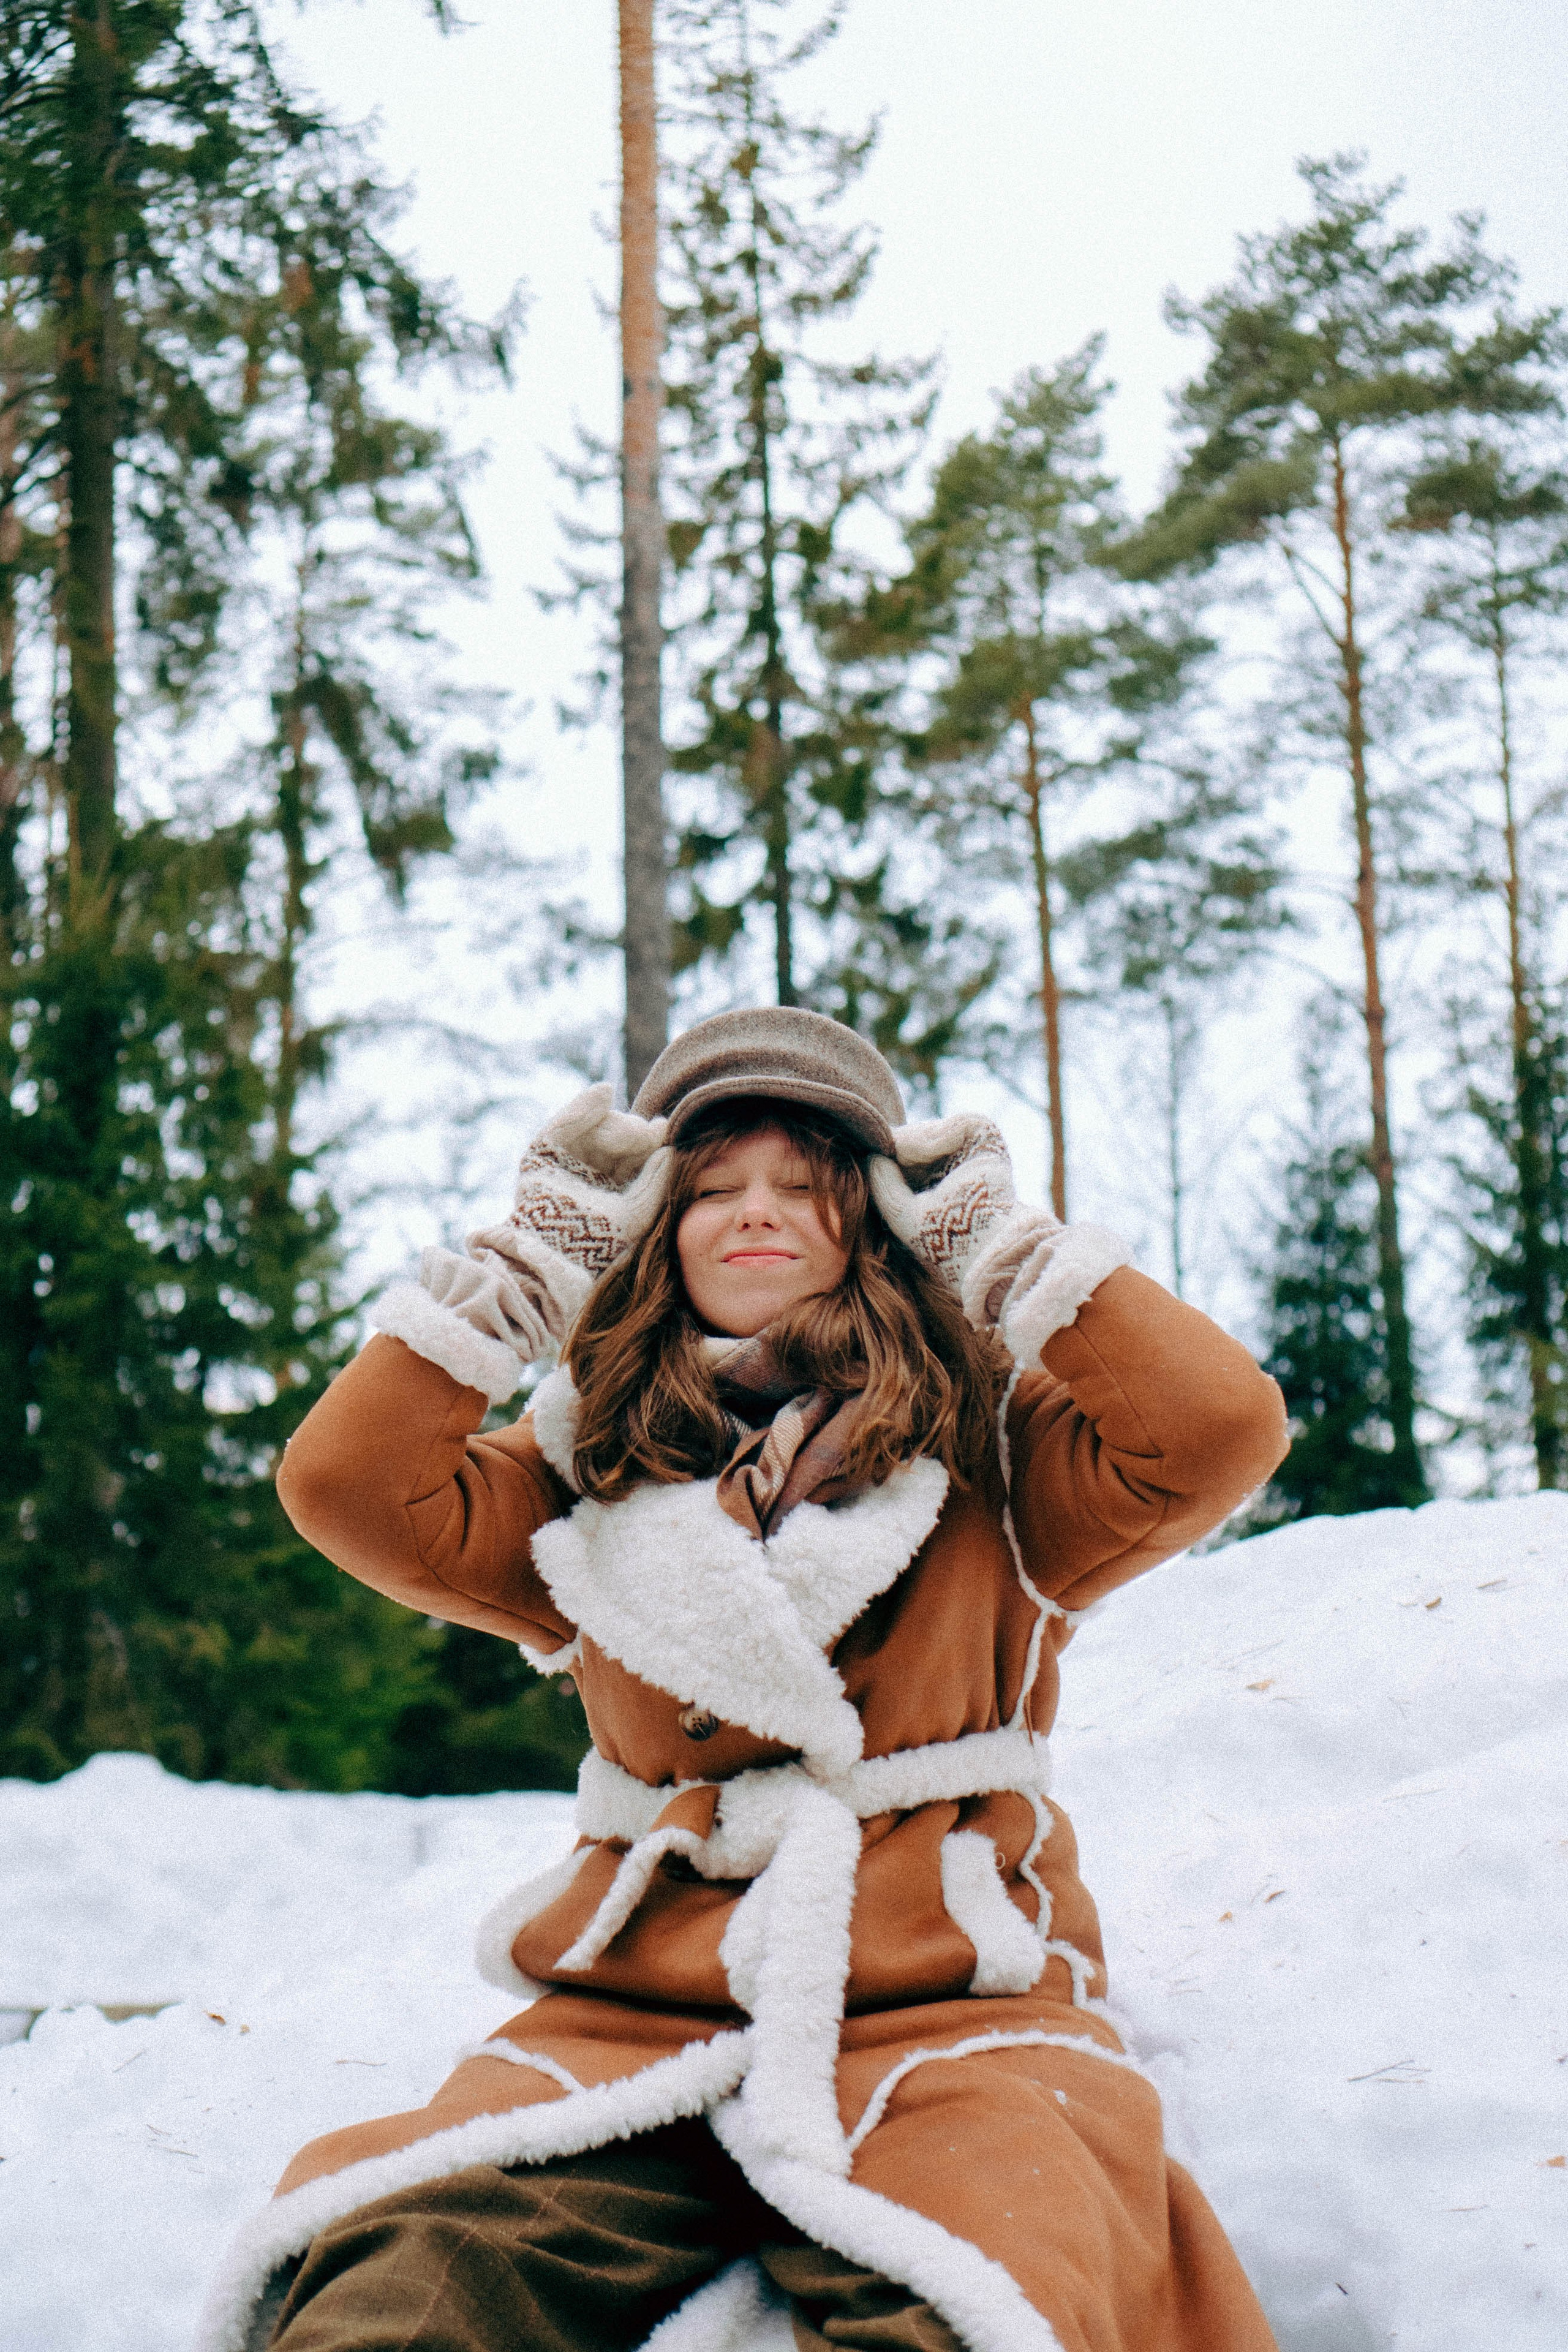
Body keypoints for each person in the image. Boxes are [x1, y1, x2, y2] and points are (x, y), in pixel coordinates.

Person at [200, 1007, 1289, 2352]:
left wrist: (1000, 1254)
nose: (752, 1216)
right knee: (402, 2290)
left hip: (944, 2009)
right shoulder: (579, 1465)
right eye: (709, 1190)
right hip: (634, 2017)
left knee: (980, 2306)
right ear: (656, 1230)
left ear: (876, 1223)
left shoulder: (996, 1446)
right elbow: (344, 1487)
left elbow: (1219, 1428)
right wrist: (530, 1272)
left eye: (805, 1187)